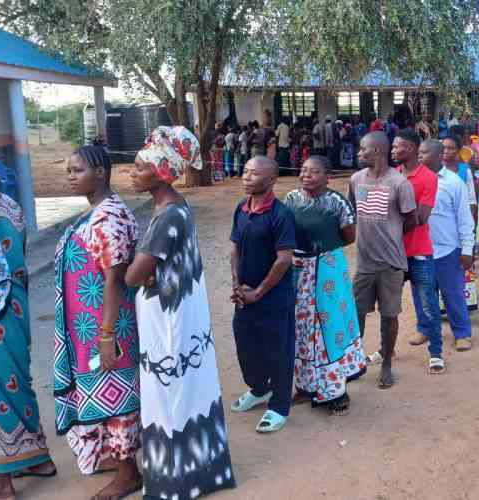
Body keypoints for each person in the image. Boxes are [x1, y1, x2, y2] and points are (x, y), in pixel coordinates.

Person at [126, 126, 235, 498]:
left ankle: (176, 480)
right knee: (187, 392)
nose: (131, 171)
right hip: (177, 313)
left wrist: (134, 267)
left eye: (140, 167)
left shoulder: (168, 216)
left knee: (168, 395)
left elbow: (133, 275)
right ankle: (199, 473)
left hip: (168, 321)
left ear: (161, 171)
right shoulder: (174, 206)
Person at [54, 146, 142, 499]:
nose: (70, 176)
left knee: (118, 395)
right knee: (103, 393)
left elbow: (114, 280)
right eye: (69, 170)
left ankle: (128, 473)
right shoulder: (97, 213)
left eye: (78, 170)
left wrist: (106, 336)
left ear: (101, 172)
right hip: (88, 327)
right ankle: (114, 457)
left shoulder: (109, 218)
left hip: (108, 326)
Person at [0, 144, 56, 500]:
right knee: (15, 381)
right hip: (16, 309)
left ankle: (1, 484)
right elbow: (15, 256)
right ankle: (37, 459)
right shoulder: (9, 206)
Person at [283, 156, 366, 415]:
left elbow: (349, 236)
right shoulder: (291, 199)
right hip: (298, 269)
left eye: (314, 171)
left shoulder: (336, 202)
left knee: (329, 327)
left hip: (328, 269)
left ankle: (335, 392)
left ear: (327, 176)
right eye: (304, 170)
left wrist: (323, 254)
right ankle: (306, 386)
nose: (306, 175)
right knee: (302, 327)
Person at [226, 155, 297, 433]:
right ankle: (259, 389)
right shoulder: (241, 209)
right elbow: (234, 248)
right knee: (246, 347)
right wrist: (236, 284)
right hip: (244, 296)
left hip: (274, 298)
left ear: (271, 180)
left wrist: (258, 292)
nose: (246, 177)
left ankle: (279, 406)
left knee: (278, 352)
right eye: (245, 172)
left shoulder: (281, 215)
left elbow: (283, 259)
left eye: (253, 174)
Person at [349, 132, 417, 389]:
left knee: (389, 316)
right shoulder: (356, 180)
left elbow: (411, 220)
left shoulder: (399, 183)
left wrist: (390, 237)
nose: (358, 153)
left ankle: (387, 363)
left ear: (377, 151)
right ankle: (354, 361)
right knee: (357, 314)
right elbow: (353, 212)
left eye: (363, 149)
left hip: (391, 265)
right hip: (364, 264)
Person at [392, 130, 444, 370]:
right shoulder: (392, 176)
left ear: (411, 149)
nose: (393, 150)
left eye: (398, 147)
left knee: (429, 304)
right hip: (393, 252)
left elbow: (421, 218)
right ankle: (386, 349)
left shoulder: (428, 178)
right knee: (389, 304)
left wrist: (388, 227)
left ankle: (436, 353)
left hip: (418, 251)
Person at [424, 139, 476, 356]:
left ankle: (462, 333)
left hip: (448, 249)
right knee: (424, 295)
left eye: (423, 153)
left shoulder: (454, 182)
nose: (419, 157)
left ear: (436, 157)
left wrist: (467, 249)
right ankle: (425, 329)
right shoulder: (413, 181)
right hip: (422, 249)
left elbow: (465, 218)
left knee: (453, 294)